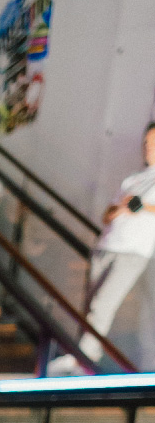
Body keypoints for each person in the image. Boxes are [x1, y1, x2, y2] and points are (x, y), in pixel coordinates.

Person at [74, 121, 155, 369]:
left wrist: (138, 206)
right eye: (146, 143)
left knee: (102, 304)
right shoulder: (133, 179)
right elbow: (108, 214)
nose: (148, 147)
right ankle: (80, 355)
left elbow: (141, 207)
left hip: (133, 252)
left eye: (153, 143)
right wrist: (123, 208)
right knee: (90, 306)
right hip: (108, 245)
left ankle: (85, 358)